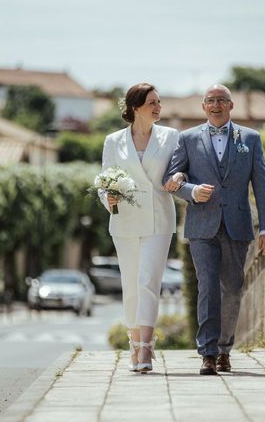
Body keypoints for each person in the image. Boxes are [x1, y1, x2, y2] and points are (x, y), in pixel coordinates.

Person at [163, 84, 265, 375]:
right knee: (208, 286)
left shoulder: (250, 138)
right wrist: (190, 190)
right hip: (202, 226)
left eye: (221, 100)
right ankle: (209, 354)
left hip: (238, 225)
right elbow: (172, 179)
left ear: (231, 105)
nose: (216, 105)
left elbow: (261, 185)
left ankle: (225, 347)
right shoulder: (186, 139)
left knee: (233, 289)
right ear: (203, 107)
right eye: (210, 100)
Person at [99, 82, 183, 373]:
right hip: (124, 221)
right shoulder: (113, 141)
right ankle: (133, 345)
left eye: (159, 102)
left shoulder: (171, 137)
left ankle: (146, 347)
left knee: (149, 281)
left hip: (159, 219)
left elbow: (180, 168)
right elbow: (105, 179)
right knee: (131, 285)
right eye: (152, 103)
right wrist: (107, 198)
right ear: (136, 108)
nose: (158, 107)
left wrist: (180, 177)